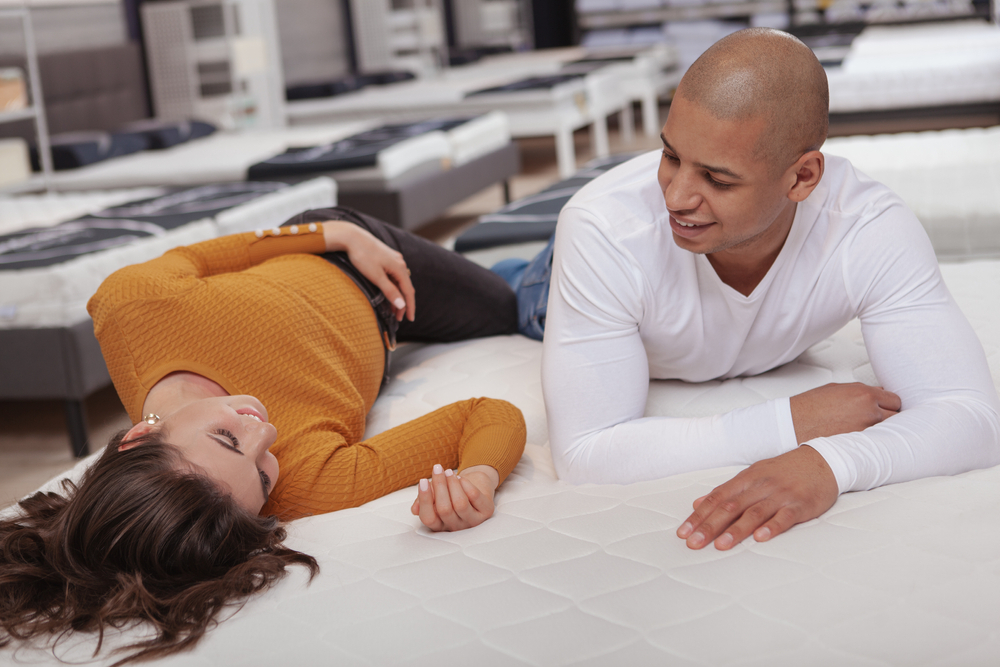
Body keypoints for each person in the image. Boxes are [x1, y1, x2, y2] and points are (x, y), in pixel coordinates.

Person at [499, 28, 1000, 551]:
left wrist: (829, 463)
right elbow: (585, 454)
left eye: (717, 179)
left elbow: (970, 418)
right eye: (670, 156)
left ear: (803, 178)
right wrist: (791, 422)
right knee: (501, 296)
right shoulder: (603, 229)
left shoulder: (867, 226)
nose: (675, 196)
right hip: (547, 283)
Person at [0, 206, 526, 664]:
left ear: (138, 436)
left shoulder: (131, 306)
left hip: (345, 249)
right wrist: (480, 476)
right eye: (261, 473)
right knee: (512, 307)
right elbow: (484, 414)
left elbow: (206, 257)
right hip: (385, 321)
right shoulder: (306, 486)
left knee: (505, 303)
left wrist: (337, 236)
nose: (265, 431)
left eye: (227, 439)